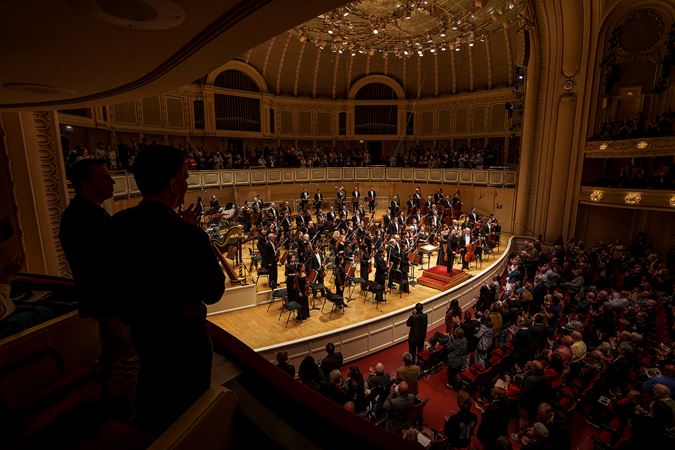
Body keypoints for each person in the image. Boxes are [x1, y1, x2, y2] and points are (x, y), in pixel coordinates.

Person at [109, 145, 225, 434]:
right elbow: (213, 292)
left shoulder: (118, 225)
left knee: (154, 396)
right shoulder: (188, 234)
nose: (187, 183)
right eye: (184, 176)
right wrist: (195, 237)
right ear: (173, 183)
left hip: (144, 335)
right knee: (191, 416)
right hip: (186, 343)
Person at [59, 159, 139, 419]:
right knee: (128, 361)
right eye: (104, 178)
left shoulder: (84, 213)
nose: (113, 181)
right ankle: (131, 418)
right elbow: (107, 267)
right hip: (111, 303)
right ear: (85, 183)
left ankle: (109, 405)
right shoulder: (87, 218)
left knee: (112, 354)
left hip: (104, 302)